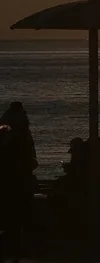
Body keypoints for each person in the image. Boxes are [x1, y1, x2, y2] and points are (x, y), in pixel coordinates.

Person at [0, 102, 38, 263]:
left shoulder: (13, 134)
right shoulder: (23, 134)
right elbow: (33, 160)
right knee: (18, 219)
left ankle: (15, 251)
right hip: (18, 182)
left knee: (13, 219)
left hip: (12, 182)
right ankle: (18, 251)